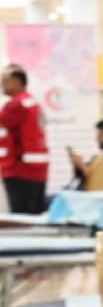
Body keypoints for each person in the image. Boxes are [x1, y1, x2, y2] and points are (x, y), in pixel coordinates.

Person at [0, 64, 51, 213]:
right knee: (34, 216)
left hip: (20, 170)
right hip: (37, 171)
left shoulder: (16, 105)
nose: (2, 85)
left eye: (5, 80)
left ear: (17, 82)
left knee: (21, 217)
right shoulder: (32, 102)